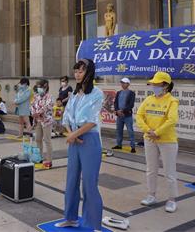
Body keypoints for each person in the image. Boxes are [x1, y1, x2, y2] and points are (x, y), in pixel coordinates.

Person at [56, 59, 104, 231]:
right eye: (75, 71)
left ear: (89, 73)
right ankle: (70, 218)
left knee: (89, 183)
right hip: (75, 141)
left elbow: (91, 121)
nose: (77, 74)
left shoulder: (97, 93)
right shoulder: (75, 96)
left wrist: (74, 135)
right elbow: (66, 117)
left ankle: (94, 223)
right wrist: (71, 134)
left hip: (89, 141)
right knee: (71, 181)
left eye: (81, 71)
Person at [136, 71, 179, 213]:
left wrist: (157, 132)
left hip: (167, 141)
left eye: (157, 84)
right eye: (153, 84)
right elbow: (139, 115)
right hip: (149, 139)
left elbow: (171, 120)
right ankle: (151, 195)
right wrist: (148, 130)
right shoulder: (149, 99)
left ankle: (172, 200)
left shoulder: (172, 101)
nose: (154, 86)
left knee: (169, 171)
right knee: (151, 169)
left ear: (165, 85)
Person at [31, 79, 55, 168]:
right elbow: (32, 105)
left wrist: (39, 112)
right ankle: (39, 157)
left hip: (46, 121)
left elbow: (48, 106)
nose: (39, 88)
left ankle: (49, 160)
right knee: (38, 139)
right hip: (38, 120)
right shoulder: (36, 96)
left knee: (47, 140)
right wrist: (33, 113)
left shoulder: (49, 96)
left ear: (45, 87)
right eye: (38, 87)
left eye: (40, 87)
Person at [112, 78, 136, 153]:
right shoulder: (119, 92)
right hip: (119, 116)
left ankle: (133, 147)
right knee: (119, 130)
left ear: (128, 84)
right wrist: (117, 110)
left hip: (127, 116)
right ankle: (119, 145)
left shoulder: (131, 93)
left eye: (124, 83)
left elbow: (131, 105)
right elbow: (115, 103)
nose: (122, 84)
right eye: (122, 82)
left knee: (130, 131)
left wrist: (122, 110)